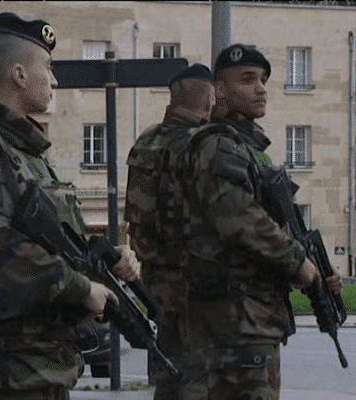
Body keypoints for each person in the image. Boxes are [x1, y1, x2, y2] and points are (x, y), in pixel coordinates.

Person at [0, 12, 140, 400]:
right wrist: (83, 289)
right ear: (19, 74)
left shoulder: (23, 155)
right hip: (3, 372)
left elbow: (50, 244)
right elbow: (2, 255)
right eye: (48, 67)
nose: (54, 80)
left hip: (36, 366)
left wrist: (103, 261)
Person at [176, 44, 344, 399]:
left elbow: (270, 227)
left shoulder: (245, 149)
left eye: (264, 79)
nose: (261, 88)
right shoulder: (219, 145)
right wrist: (298, 262)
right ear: (220, 91)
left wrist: (314, 270)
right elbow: (240, 219)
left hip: (253, 319)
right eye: (248, 79)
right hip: (233, 323)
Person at [124, 63, 217, 400]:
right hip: (194, 279)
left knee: (169, 370)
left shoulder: (145, 140)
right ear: (209, 100)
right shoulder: (202, 144)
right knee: (199, 375)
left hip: (155, 278)